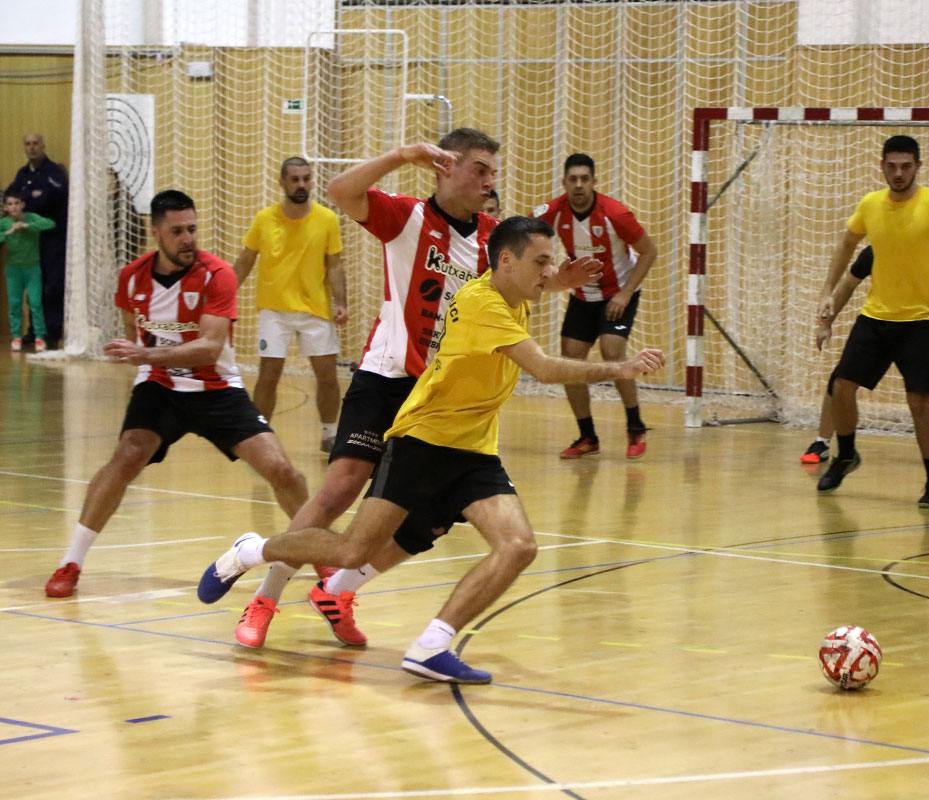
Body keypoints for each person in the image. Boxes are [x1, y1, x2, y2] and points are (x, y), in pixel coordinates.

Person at [199, 216, 665, 684]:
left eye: (552, 261)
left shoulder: (512, 293)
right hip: (423, 442)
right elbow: (543, 369)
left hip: (475, 449)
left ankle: (431, 646)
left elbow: (535, 288)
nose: (550, 269)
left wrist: (557, 279)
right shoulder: (482, 303)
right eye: (541, 261)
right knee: (352, 548)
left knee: (518, 546)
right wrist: (619, 368)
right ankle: (252, 551)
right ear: (507, 261)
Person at [226, 129, 513, 650]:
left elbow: (532, 279)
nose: (490, 181)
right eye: (480, 169)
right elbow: (340, 191)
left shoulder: (496, 241)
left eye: (493, 172)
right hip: (386, 377)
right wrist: (403, 154)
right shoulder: (407, 217)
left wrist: (562, 278)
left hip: (440, 397)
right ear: (447, 167)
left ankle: (338, 591)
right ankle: (265, 598)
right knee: (340, 489)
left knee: (433, 516)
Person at [43, 190, 308, 598]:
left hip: (215, 387)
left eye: (192, 229)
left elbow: (209, 348)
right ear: (156, 233)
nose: (188, 239)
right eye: (177, 231)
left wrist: (145, 354)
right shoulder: (132, 277)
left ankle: (319, 552)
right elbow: (132, 330)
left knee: (282, 471)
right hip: (160, 386)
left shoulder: (217, 274)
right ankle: (71, 562)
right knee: (126, 456)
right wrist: (143, 360)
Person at [815, 135, 929, 507]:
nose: (899, 173)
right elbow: (846, 244)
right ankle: (846, 455)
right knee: (841, 387)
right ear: (882, 166)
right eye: (892, 166)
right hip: (875, 318)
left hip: (922, 322)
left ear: (918, 166)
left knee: (919, 402)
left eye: (906, 166)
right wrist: (826, 292)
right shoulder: (870, 205)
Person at [804, 246, 929, 470]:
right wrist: (827, 323)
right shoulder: (876, 251)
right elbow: (847, 285)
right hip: (881, 328)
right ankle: (822, 442)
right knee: (841, 380)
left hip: (920, 330)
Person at [533, 153, 658, 460]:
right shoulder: (552, 212)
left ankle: (635, 426)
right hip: (582, 295)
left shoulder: (615, 213)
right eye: (573, 179)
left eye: (584, 179)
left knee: (612, 350)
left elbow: (649, 252)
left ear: (594, 182)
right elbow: (523, 238)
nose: (579, 185)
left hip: (619, 292)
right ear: (564, 183)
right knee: (569, 362)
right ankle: (587, 436)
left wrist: (625, 295)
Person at [233, 157, 347, 452]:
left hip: (315, 309)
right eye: (295, 179)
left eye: (306, 179)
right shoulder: (264, 219)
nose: (301, 185)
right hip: (274, 310)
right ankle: (260, 436)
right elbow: (245, 261)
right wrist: (224, 295)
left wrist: (341, 302)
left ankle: (330, 433)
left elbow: (335, 265)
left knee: (327, 376)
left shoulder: (327, 219)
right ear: (282, 182)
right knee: (268, 375)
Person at [6, 132, 68, 349]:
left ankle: (52, 333)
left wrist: (28, 204)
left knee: (52, 286)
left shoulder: (54, 172)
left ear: (43, 146)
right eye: (28, 144)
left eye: (35, 144)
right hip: (30, 241)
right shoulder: (22, 174)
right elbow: (13, 200)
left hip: (53, 240)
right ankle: (35, 331)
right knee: (34, 288)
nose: (32, 147)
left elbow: (48, 200)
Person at [1, 189, 56, 352]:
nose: (14, 207)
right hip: (13, 270)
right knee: (15, 304)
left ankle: (39, 337)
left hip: (32, 269)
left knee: (35, 303)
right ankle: (16, 336)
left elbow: (50, 224)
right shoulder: (4, 223)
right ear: (5, 207)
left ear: (23, 204)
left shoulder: (31, 218)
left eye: (17, 203)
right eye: (10, 204)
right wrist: (8, 232)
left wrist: (28, 226)